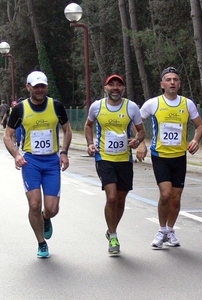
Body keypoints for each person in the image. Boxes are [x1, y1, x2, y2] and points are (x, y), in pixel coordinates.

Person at [3, 71, 72, 258]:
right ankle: (41, 243)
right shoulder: (20, 109)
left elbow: (67, 130)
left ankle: (46, 217)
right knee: (34, 204)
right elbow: (7, 135)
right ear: (28, 87)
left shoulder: (56, 106)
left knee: (52, 208)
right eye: (36, 86)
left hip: (51, 162)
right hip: (31, 161)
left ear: (46, 87)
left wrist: (64, 153)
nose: (39, 90)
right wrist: (16, 155)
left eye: (42, 86)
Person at [136, 67, 202, 248]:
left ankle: (170, 230)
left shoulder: (187, 104)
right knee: (165, 194)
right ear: (162, 84)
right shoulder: (153, 104)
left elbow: (199, 125)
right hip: (160, 155)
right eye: (168, 79)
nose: (172, 82)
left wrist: (196, 140)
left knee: (175, 197)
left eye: (175, 79)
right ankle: (161, 230)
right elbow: (136, 123)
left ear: (179, 83)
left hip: (179, 156)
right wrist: (141, 143)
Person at [84, 74, 145, 255]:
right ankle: (113, 235)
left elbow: (141, 131)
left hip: (124, 159)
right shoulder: (97, 106)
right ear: (106, 88)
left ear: (123, 89)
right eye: (112, 85)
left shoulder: (131, 107)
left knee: (120, 199)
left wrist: (137, 140)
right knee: (111, 197)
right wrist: (90, 143)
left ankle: (111, 229)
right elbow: (88, 125)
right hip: (104, 158)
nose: (115, 88)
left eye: (119, 85)